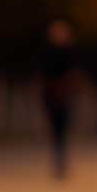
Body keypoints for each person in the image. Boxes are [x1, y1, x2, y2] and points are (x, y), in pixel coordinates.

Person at [40, 19, 79, 179]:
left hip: (64, 97)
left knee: (61, 132)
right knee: (56, 132)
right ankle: (59, 163)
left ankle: (61, 163)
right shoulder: (48, 53)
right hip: (53, 97)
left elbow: (73, 74)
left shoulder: (69, 52)